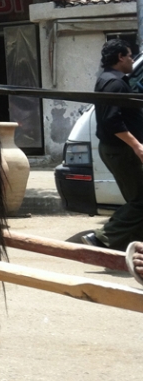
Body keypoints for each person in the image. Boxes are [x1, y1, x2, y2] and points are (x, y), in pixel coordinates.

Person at [76, 39, 143, 252]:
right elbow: (112, 121)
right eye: (130, 56)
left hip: (116, 150)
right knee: (140, 201)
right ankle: (102, 237)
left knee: (136, 199)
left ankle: (130, 245)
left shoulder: (107, 79)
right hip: (122, 151)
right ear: (120, 57)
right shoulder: (115, 83)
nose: (132, 60)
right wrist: (136, 145)